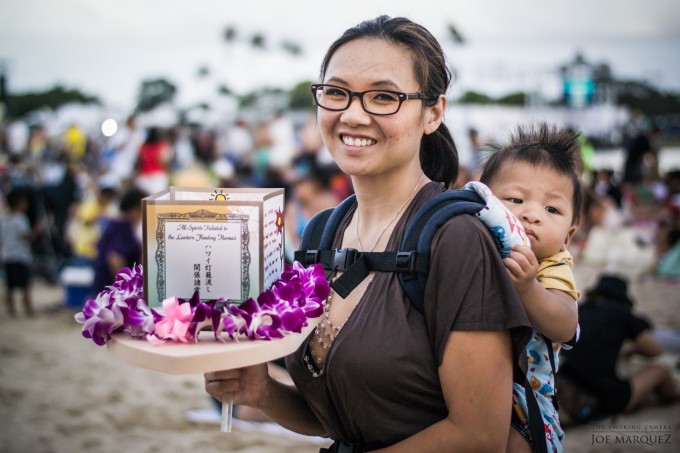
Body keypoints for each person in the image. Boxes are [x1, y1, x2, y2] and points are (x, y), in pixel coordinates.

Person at [205, 16, 531, 451]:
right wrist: (263, 393)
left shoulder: (456, 240)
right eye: (337, 93)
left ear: (432, 112)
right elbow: (341, 417)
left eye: (384, 97)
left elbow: (479, 435)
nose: (354, 115)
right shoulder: (323, 233)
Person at [474, 124, 583, 453]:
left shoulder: (553, 265)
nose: (532, 214)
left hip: (527, 399)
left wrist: (529, 289)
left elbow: (565, 325)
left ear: (568, 235)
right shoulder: (476, 248)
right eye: (516, 199)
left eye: (552, 209)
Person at [558, 274, 680, 421]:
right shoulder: (623, 313)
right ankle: (671, 398)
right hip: (603, 396)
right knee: (661, 370)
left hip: (565, 382)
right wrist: (633, 349)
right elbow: (655, 350)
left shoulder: (578, 309)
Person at [92, 188, 146, 295]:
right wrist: (124, 290)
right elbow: (114, 258)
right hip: (112, 291)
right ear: (135, 209)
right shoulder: (122, 226)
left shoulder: (117, 223)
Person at [1, 189, 42, 316]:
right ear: (19, 203)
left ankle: (11, 310)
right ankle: (29, 309)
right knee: (25, 285)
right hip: (21, 256)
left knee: (10, 286)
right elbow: (26, 237)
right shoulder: (21, 219)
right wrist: (37, 229)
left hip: (8, 255)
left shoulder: (5, 220)